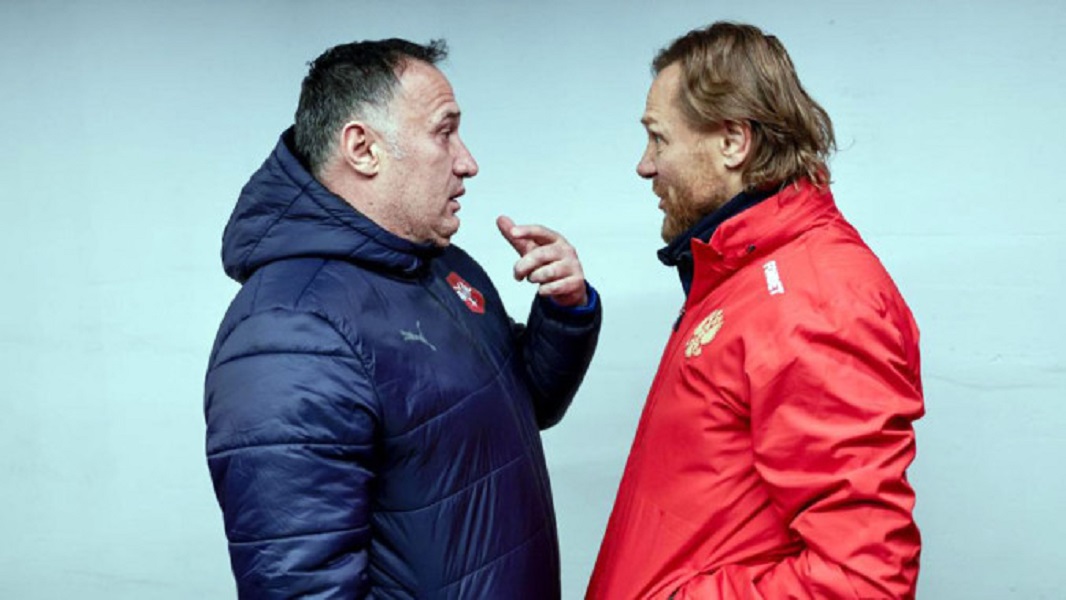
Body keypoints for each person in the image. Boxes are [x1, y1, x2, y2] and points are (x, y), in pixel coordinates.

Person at [203, 38, 600, 599]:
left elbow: (521, 403)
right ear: (363, 149)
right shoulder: (288, 332)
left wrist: (564, 309)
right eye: (444, 132)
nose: (467, 161)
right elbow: (301, 587)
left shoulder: (440, 267)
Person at [588, 22, 923, 599]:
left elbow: (863, 580)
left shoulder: (814, 297)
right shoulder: (740, 274)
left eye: (659, 139)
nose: (645, 165)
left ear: (733, 142)